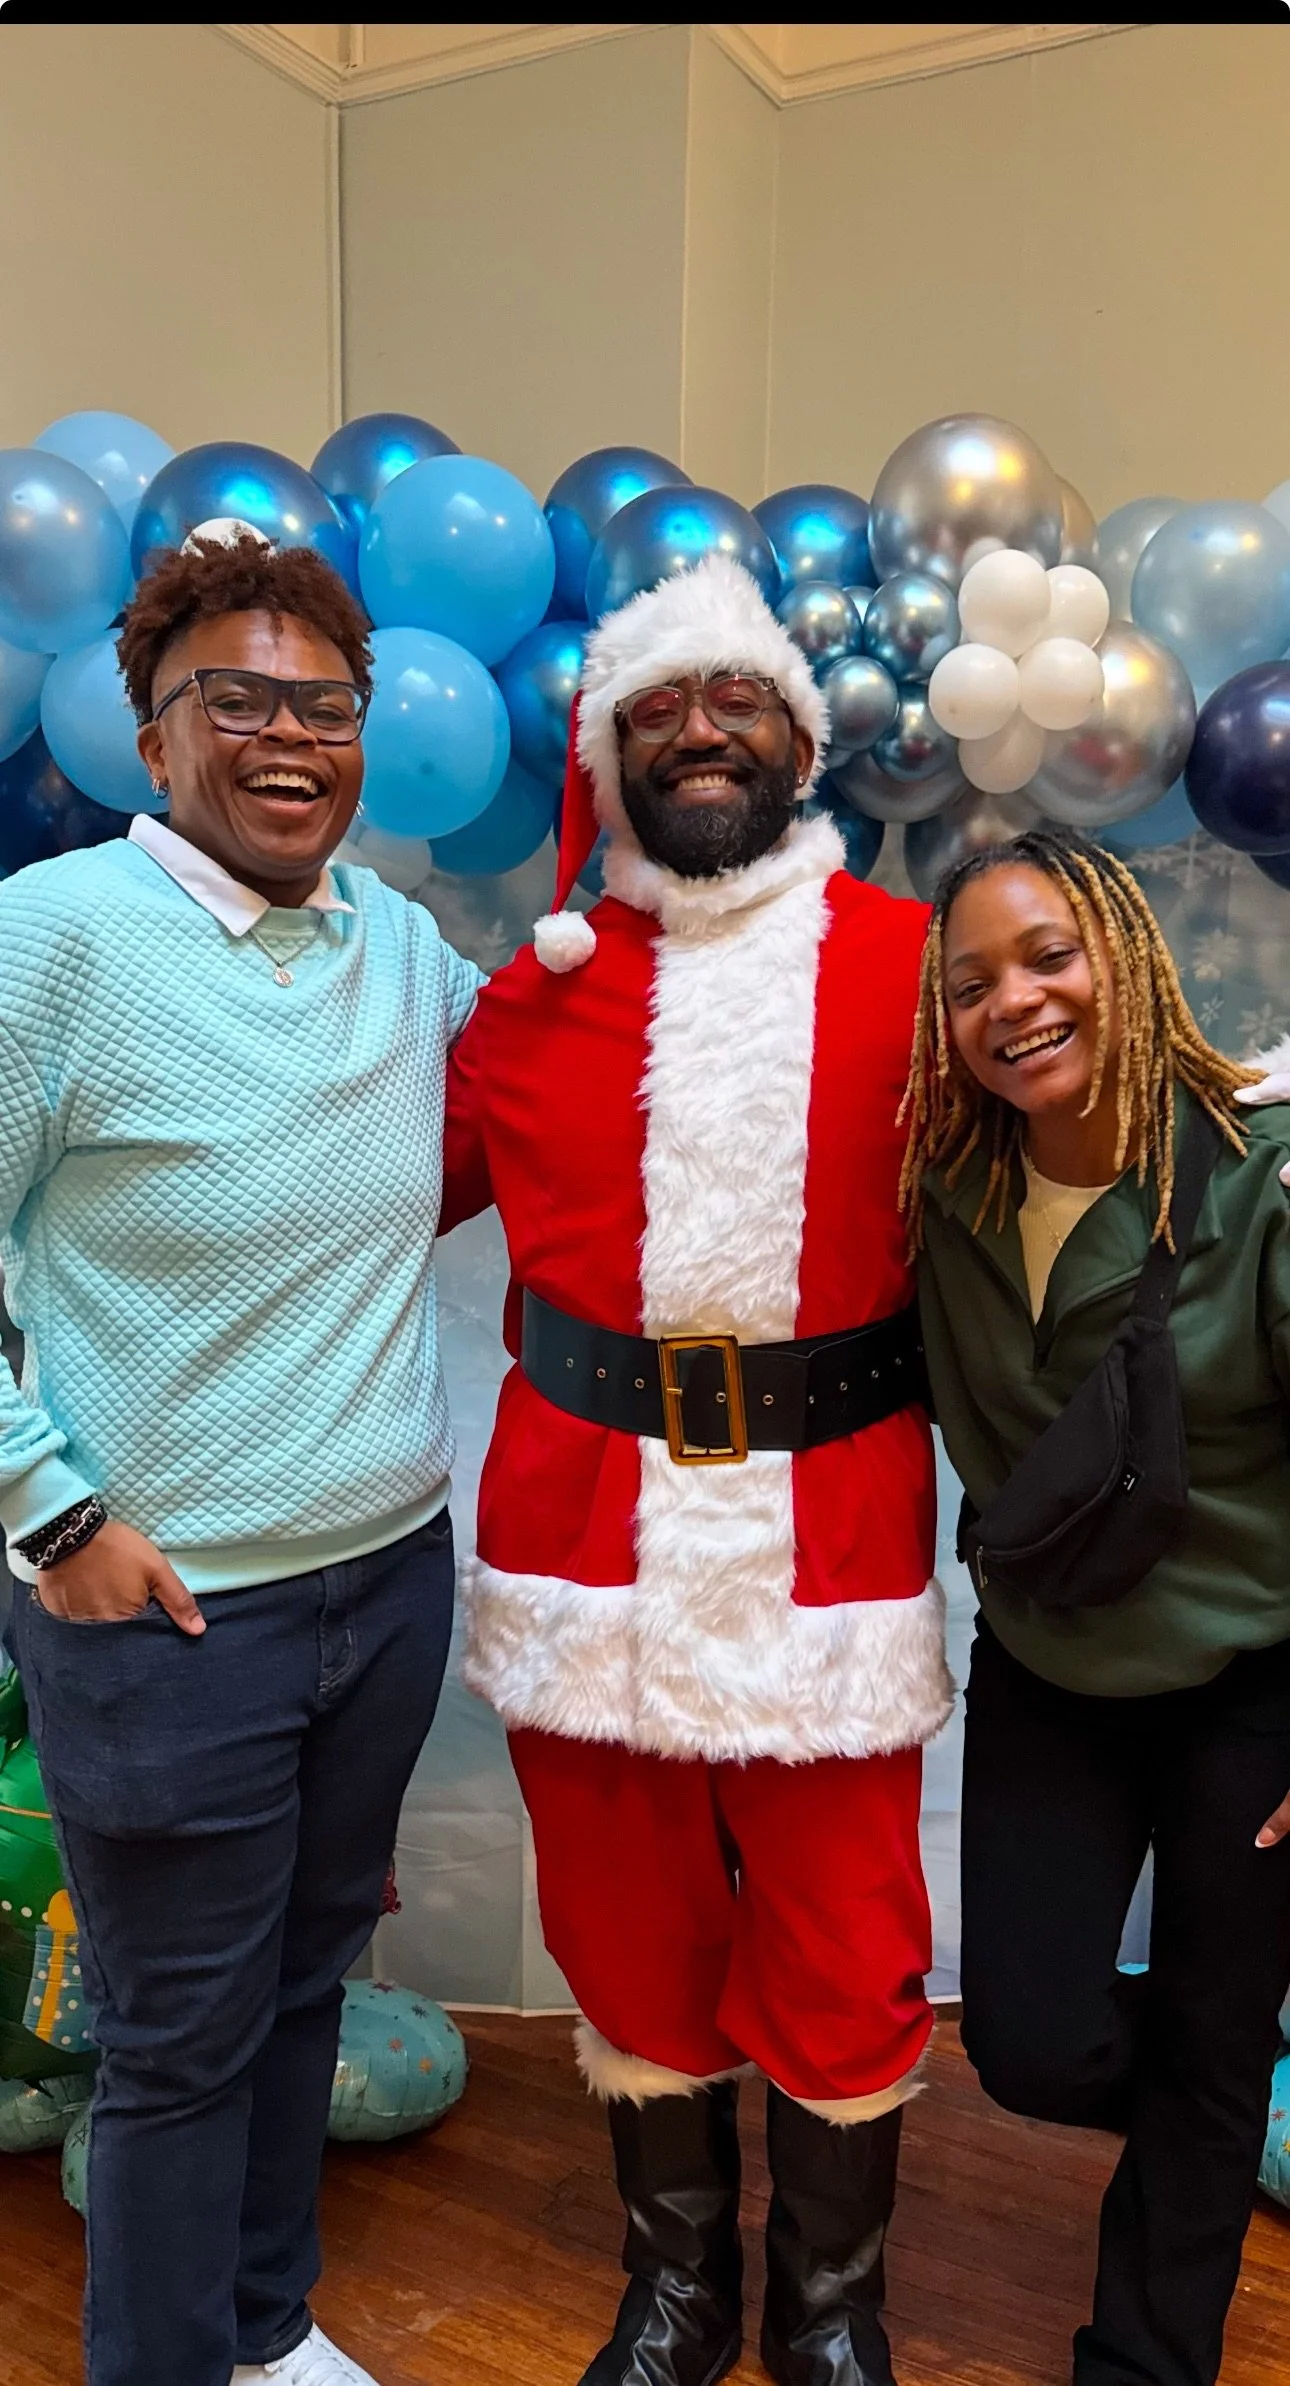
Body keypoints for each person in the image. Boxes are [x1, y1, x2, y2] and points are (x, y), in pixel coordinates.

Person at [440, 554, 953, 2386]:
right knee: (623, 1922)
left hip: (832, 1536)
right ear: (605, 759)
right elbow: (363, 1207)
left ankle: (829, 2307)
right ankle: (678, 2286)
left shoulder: (921, 969)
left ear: (799, 739)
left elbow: (1086, 1151)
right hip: (579, 1536)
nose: (698, 732)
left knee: (846, 1931)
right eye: (654, 710)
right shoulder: (531, 998)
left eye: (732, 700)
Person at [2, 530, 481, 2386]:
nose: (291, 736)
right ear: (150, 733)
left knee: (299, 1999)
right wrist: (55, 1513)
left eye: (327, 706)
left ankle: (264, 2334)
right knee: (179, 2044)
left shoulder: (398, 941)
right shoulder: (53, 943)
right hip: (169, 1613)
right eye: (241, 699)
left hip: (383, 1579)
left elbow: (563, 1072)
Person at [901, 826, 1290, 2386]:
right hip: (1053, 1662)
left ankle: (1139, 2356)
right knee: (1030, 2038)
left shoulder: (1260, 1176)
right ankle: (1218, 2086)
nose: (1015, 1000)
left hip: (1252, 1685)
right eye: (970, 982)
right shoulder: (939, 1188)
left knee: (1205, 2038)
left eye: (1047, 955)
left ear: (1123, 953)